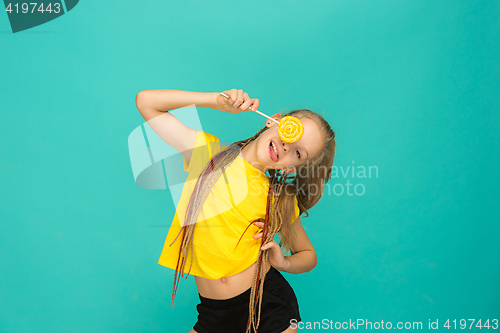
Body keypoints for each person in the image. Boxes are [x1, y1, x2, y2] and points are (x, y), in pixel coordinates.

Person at [136, 88, 337, 333]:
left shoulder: (278, 198)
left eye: (297, 152)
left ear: (291, 168)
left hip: (267, 307)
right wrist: (215, 101)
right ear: (273, 119)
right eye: (291, 131)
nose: (287, 146)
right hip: (214, 314)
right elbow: (146, 102)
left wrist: (282, 262)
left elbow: (308, 255)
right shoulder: (207, 155)